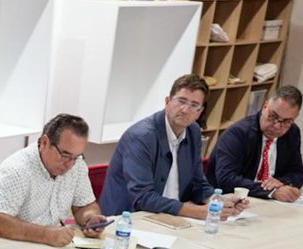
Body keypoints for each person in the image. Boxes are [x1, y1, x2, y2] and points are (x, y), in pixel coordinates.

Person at [100, 74, 249, 220]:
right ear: (168, 101)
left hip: (172, 218)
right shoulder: (141, 137)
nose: (185, 110)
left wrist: (217, 201)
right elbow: (143, 198)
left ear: (200, 112)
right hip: (129, 220)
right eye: (181, 101)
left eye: (194, 105)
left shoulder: (193, 131)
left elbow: (197, 182)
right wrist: (198, 212)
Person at [0, 114, 107, 247]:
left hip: (47, 247)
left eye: (76, 157)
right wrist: (46, 235)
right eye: (65, 155)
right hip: (2, 247)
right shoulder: (16, 169)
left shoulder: (77, 165)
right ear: (45, 143)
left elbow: (84, 205)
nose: (70, 164)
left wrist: (90, 218)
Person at [207, 85, 303, 201]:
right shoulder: (238, 133)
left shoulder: (292, 133)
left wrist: (281, 182)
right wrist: (271, 191)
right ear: (264, 106)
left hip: (266, 202)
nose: (277, 126)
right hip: (228, 201)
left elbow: (297, 173)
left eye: (286, 121)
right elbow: (227, 179)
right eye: (273, 116)